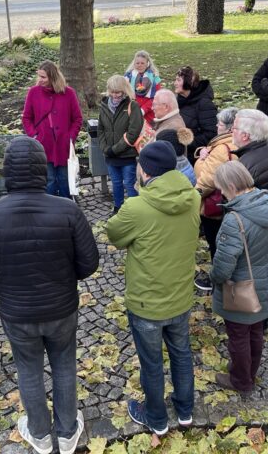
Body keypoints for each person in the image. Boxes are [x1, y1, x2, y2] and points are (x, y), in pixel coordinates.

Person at [0, 137, 100, 454]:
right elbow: (89, 264)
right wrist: (63, 278)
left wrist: (3, 284)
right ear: (42, 169)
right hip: (61, 308)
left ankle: (39, 434)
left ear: (6, 170)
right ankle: (67, 432)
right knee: (64, 366)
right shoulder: (68, 210)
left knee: (28, 370)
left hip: (16, 311)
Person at [106, 141, 200, 436]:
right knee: (181, 354)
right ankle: (185, 411)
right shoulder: (193, 197)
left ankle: (156, 418)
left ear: (145, 171)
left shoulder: (137, 207)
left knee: (151, 363)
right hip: (181, 297)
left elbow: (114, 234)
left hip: (147, 302)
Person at [209, 161, 268, 393]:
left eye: (221, 188)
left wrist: (214, 278)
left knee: (238, 335)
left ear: (231, 186)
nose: (221, 193)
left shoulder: (235, 219)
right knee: (256, 331)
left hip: (241, 285)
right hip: (264, 276)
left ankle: (241, 380)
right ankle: (250, 371)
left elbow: (224, 265)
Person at [192, 107, 239, 291]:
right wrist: (204, 153)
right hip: (230, 202)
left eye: (219, 124)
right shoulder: (231, 143)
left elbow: (208, 180)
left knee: (216, 243)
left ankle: (218, 281)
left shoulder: (222, 148)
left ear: (228, 127)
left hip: (215, 206)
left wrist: (193, 196)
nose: (216, 126)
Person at [231, 109, 268, 258]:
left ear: (245, 136)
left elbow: (233, 205)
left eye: (234, 128)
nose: (231, 131)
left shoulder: (245, 167)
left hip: (254, 240)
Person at [22, 60, 83, 198]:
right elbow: (26, 118)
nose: (40, 80)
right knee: (48, 181)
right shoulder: (33, 92)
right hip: (44, 145)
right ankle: (50, 208)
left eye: (43, 77)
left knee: (64, 180)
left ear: (53, 77)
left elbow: (77, 119)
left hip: (63, 146)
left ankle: (67, 207)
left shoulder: (68, 93)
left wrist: (70, 137)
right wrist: (35, 136)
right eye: (39, 76)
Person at [98, 75, 144, 214]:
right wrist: (105, 148)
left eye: (118, 92)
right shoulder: (104, 105)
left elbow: (133, 133)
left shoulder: (132, 105)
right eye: (112, 92)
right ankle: (118, 208)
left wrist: (115, 149)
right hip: (110, 155)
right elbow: (100, 130)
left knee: (129, 184)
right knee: (116, 183)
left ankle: (134, 212)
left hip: (127, 155)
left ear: (124, 90)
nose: (115, 95)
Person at [174, 66, 218, 164]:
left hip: (196, 158)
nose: (175, 83)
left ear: (190, 82)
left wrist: (185, 142)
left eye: (178, 80)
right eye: (175, 80)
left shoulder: (204, 104)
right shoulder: (179, 101)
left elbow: (211, 135)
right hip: (181, 154)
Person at [124, 50, 162, 124]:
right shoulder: (127, 77)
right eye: (137, 63)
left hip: (149, 114)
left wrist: (143, 110)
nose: (139, 65)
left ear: (147, 64)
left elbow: (156, 98)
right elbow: (124, 95)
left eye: (142, 63)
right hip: (131, 112)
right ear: (134, 63)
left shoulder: (155, 78)